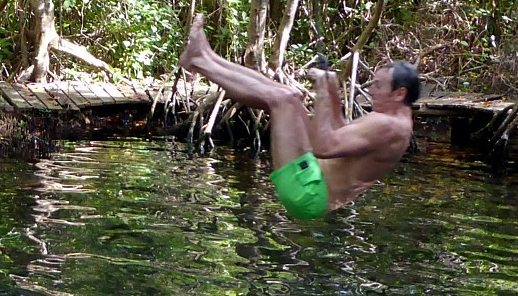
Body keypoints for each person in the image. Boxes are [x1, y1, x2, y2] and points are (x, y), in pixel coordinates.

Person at [179, 14, 418, 219]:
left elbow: (323, 146)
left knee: (283, 100)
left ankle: (200, 60)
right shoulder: (392, 121)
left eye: (378, 85)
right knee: (287, 94)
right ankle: (204, 56)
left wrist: (323, 91)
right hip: (311, 179)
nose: (370, 89)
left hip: (309, 193)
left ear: (399, 94)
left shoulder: (389, 125)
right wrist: (331, 89)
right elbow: (339, 135)